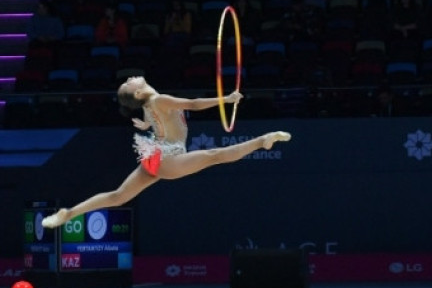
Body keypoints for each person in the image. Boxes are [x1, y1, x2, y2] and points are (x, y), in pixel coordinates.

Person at [40, 77, 291, 229]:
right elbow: (193, 104)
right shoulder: (159, 100)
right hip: (166, 156)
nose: (133, 77)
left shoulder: (151, 105)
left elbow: (158, 121)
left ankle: (69, 213)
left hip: (156, 156)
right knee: (215, 155)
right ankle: (262, 141)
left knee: (118, 196)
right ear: (138, 93)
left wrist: (147, 125)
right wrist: (226, 99)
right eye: (129, 82)